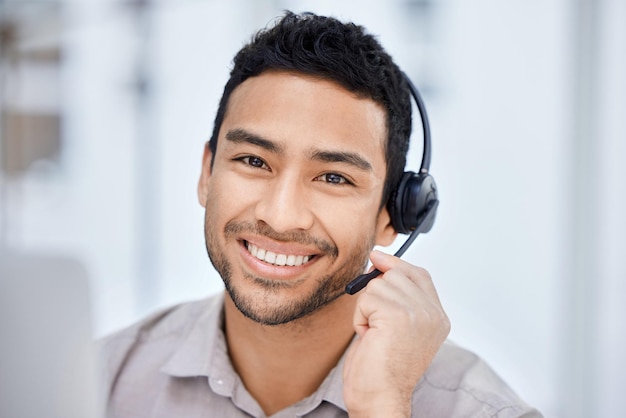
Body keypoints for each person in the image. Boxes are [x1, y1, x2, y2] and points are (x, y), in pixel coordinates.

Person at [100, 11, 542, 418]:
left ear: (393, 214)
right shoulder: (98, 385)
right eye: (254, 161)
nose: (280, 216)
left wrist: (381, 407)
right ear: (206, 174)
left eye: (333, 178)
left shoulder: (484, 411)